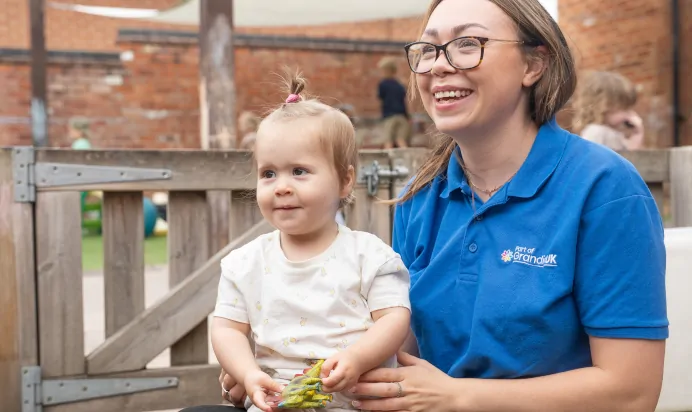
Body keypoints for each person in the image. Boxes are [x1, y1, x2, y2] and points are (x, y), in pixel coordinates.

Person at [191, 0, 667, 411]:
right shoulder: (423, 197)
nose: (439, 65)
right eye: (428, 50)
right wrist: (287, 372)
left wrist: (458, 398)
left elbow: (630, 392)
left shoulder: (604, 190)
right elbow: (399, 348)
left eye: (467, 44)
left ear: (533, 65)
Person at [206, 72, 412, 412]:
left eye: (299, 171)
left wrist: (356, 358)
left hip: (353, 401)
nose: (281, 186)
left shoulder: (369, 255)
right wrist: (247, 373)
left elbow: (394, 318)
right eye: (268, 173)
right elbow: (227, 329)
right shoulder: (245, 263)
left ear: (345, 181)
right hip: (275, 402)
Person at [571, 70, 645, 151]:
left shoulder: (613, 134)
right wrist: (637, 135)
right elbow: (628, 160)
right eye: (624, 109)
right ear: (603, 107)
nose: (630, 114)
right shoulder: (596, 132)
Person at [377, 57, 411, 149]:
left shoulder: (383, 84)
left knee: (388, 141)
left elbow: (381, 96)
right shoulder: (399, 85)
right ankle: (407, 158)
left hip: (389, 116)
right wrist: (407, 117)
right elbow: (403, 102)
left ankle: (388, 162)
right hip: (401, 116)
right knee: (401, 140)